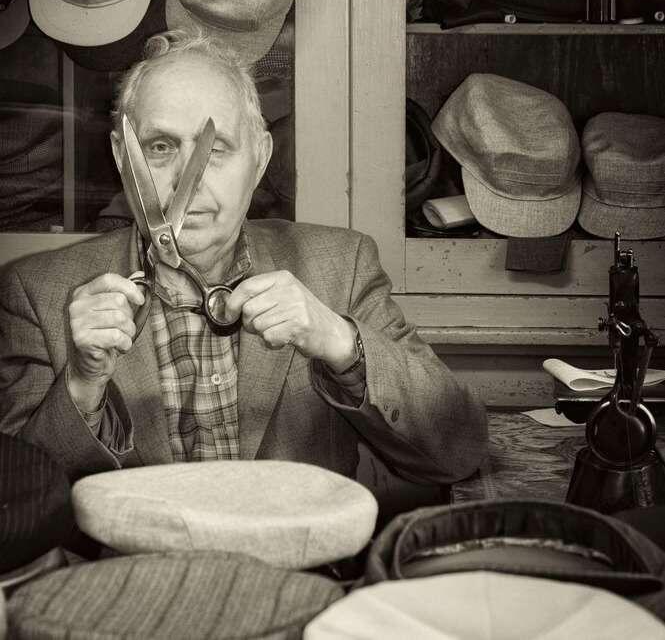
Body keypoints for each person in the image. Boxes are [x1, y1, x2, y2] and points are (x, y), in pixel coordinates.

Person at [0, 29, 487, 483]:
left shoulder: (343, 266)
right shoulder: (37, 293)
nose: (186, 182)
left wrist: (341, 342)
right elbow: (16, 500)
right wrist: (82, 386)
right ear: (122, 158)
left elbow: (458, 449)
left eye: (215, 149)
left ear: (260, 158)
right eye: (160, 146)